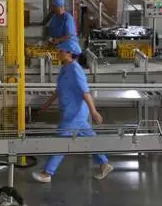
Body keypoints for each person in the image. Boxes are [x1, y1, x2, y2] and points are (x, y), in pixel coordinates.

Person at [32, 39, 113, 183]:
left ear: (69, 53)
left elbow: (85, 92)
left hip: (74, 114)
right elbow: (59, 90)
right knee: (89, 138)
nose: (59, 53)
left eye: (61, 51)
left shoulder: (76, 70)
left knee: (61, 141)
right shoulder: (65, 67)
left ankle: (47, 173)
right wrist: (46, 105)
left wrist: (93, 111)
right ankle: (104, 163)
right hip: (70, 112)